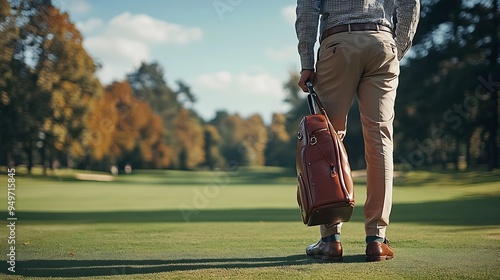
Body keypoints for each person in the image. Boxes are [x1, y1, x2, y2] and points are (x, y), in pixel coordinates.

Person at [295, 0, 420, 262]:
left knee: (327, 138)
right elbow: (410, 3)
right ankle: (377, 239)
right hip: (382, 41)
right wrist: (398, 47)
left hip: (339, 42)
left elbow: (308, 8)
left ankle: (330, 240)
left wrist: (306, 60)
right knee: (380, 142)